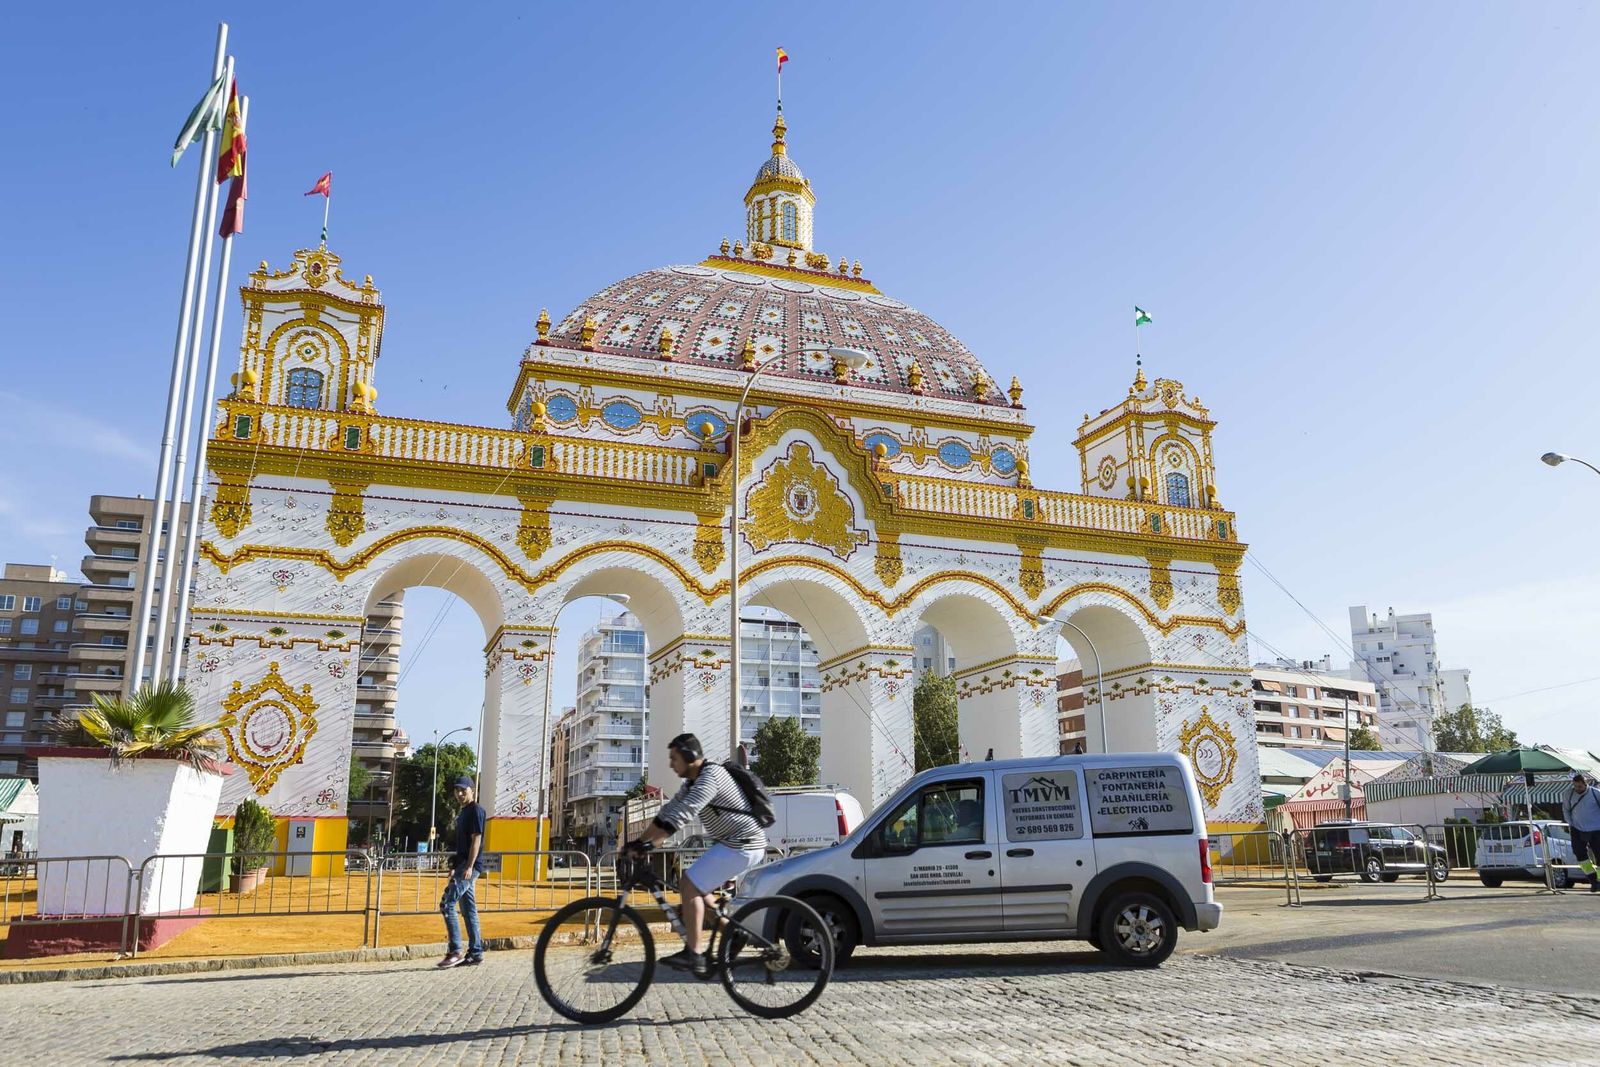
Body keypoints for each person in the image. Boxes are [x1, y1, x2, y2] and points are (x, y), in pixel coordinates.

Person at [628, 733, 766, 977]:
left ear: (689, 756)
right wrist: (639, 842)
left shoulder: (710, 777)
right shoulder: (693, 781)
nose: (671, 764)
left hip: (743, 843)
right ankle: (734, 933)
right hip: (734, 843)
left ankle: (694, 954)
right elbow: (668, 812)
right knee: (699, 891)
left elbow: (686, 813)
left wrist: (653, 844)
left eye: (674, 758)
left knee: (688, 885)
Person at [437, 776, 487, 968]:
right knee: (469, 911)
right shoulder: (463, 813)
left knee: (447, 904)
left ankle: (455, 950)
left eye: (463, 790)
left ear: (472, 790)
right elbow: (461, 845)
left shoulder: (476, 810)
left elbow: (476, 840)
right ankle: (476, 952)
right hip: (462, 866)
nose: (459, 794)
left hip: (469, 867)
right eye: (457, 790)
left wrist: (468, 867)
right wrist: (453, 867)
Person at [1562, 771, 1600, 893]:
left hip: (1596, 829)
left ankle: (1599, 881)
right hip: (1577, 829)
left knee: (1599, 855)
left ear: (1586, 784)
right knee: (1579, 854)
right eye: (1575, 786)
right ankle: (1592, 879)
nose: (1577, 788)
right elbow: (1566, 810)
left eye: (1580, 786)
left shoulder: (1596, 793)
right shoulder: (1569, 794)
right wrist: (1571, 824)